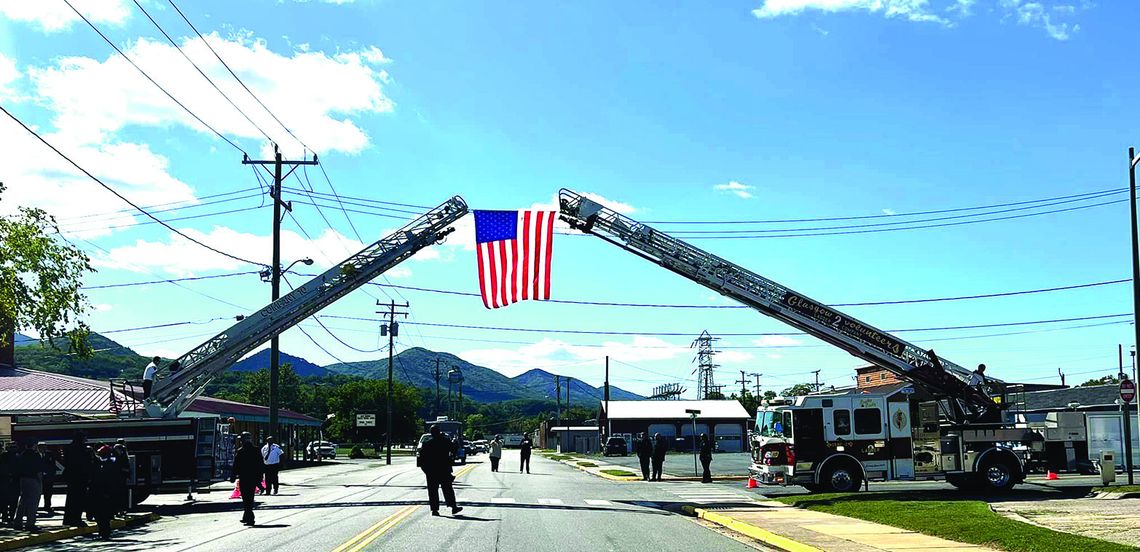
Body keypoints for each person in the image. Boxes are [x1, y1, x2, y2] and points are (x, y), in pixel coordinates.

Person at [417, 425, 462, 517]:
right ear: (439, 432)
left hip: (431, 470)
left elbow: (421, 459)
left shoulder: (427, 444)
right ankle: (453, 506)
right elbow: (454, 450)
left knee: (433, 490)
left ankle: (434, 509)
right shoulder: (445, 441)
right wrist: (456, 443)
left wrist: (425, 470)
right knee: (448, 489)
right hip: (443, 469)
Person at [231, 432, 263, 526]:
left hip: (245, 478)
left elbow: (236, 465)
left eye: (241, 440)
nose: (240, 441)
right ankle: (246, 517)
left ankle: (250, 518)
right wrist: (260, 478)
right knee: (249, 498)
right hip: (252, 478)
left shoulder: (241, 451)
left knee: (246, 498)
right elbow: (260, 465)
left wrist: (233, 476)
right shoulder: (256, 450)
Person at [88, 446, 117, 540]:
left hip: (105, 492)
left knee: (103, 514)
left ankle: (105, 532)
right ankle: (103, 531)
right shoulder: (99, 463)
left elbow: (109, 479)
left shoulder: (110, 463)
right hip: (97, 491)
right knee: (99, 514)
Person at [12, 442, 41, 531]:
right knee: (33, 503)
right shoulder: (36, 455)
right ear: (34, 446)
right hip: (33, 479)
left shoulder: (22, 455)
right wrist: (40, 481)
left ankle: (17, 522)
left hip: (23, 479)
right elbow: (38, 468)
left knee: (23, 501)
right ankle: (30, 523)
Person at [62, 432, 89, 527]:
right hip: (80, 477)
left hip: (71, 477)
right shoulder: (82, 449)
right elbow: (84, 464)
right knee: (79, 500)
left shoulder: (69, 448)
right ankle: (76, 518)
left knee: (70, 499)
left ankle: (68, 519)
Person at [112, 440, 130, 515]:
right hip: (119, 477)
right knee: (119, 494)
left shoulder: (121, 456)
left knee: (120, 494)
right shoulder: (120, 455)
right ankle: (119, 509)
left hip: (120, 477)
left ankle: (120, 509)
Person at [0, 441, 17, 523]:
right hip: (5, 480)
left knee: (11, 501)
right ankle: (6, 516)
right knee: (5, 500)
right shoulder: (3, 456)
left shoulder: (17, 456)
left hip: (12, 481)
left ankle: (9, 516)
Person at [38, 444, 57, 516]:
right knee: (37, 493)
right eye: (41, 447)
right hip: (38, 477)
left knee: (48, 493)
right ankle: (35, 507)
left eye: (44, 447)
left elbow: (52, 465)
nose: (43, 448)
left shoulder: (50, 454)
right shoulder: (35, 455)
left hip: (48, 477)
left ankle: (47, 506)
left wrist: (51, 475)